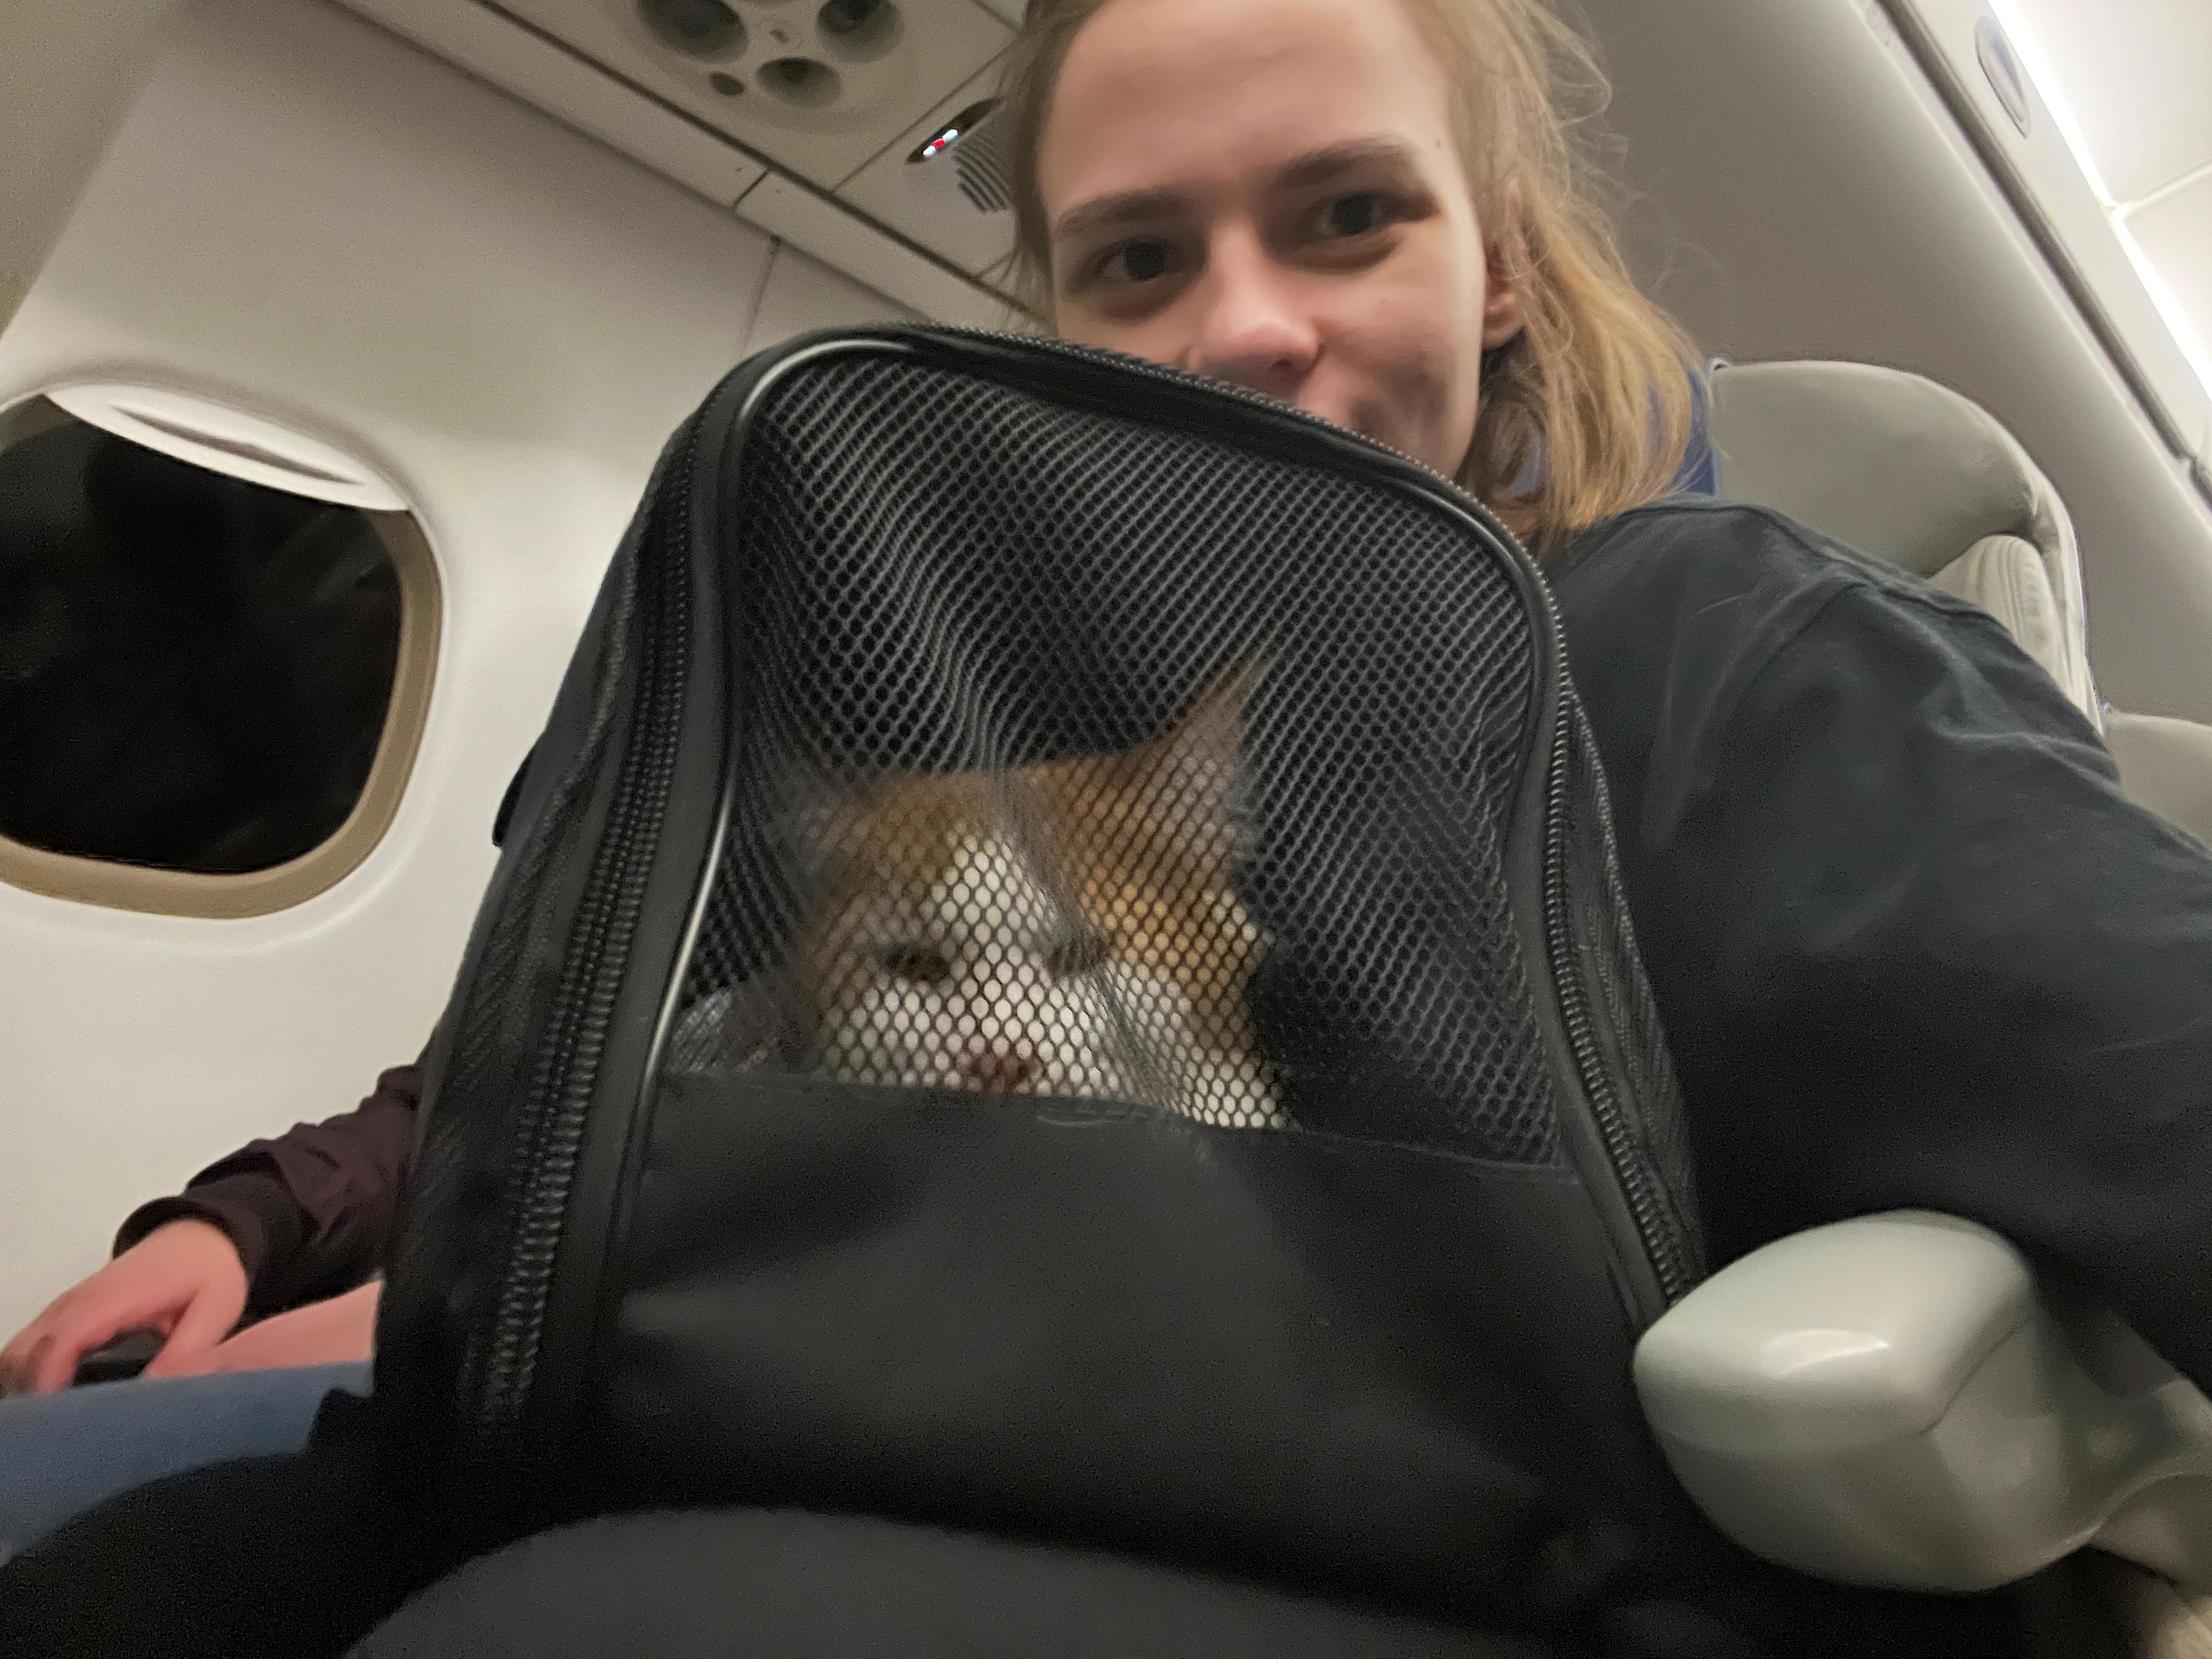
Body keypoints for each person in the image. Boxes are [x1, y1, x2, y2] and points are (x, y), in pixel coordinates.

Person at [7, 0, 2212, 1650]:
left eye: (1348, 217)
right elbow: (606, 1023)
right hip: (704, 1439)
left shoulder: (1701, 656)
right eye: (1140, 260)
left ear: (1500, 269)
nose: (1248, 329)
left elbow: (2152, 1073)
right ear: (1058, 324)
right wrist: (263, 1226)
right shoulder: (963, 718)